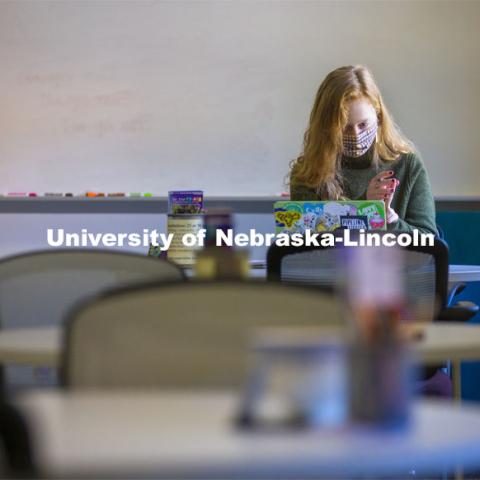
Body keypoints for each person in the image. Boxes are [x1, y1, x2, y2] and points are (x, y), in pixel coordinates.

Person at [289, 65, 437, 235]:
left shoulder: (408, 164)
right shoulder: (308, 173)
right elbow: (304, 244)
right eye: (344, 127)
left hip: (395, 262)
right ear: (326, 128)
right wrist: (364, 207)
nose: (356, 135)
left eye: (363, 125)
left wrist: (389, 219)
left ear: (379, 116)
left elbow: (428, 241)